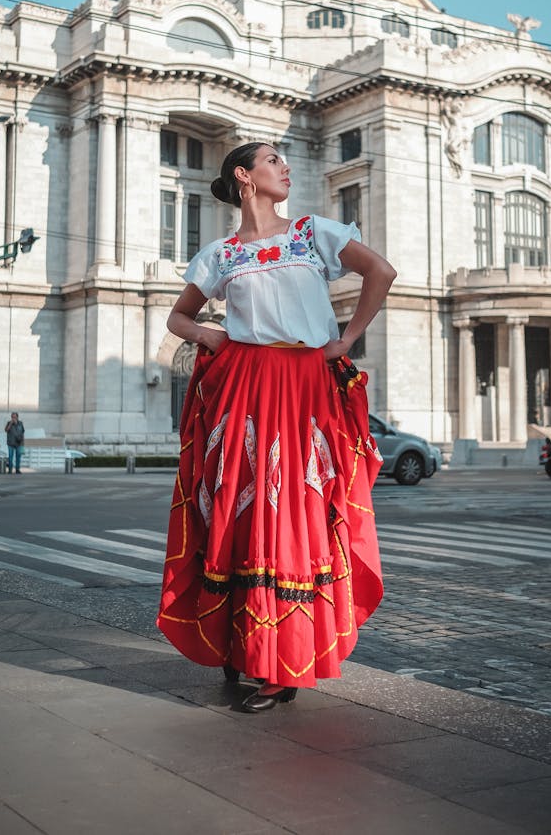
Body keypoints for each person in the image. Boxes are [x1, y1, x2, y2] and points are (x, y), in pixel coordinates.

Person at [157, 142, 396, 713]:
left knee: (293, 509)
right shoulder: (220, 254)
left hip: (305, 387)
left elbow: (381, 272)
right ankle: (240, 648)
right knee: (239, 509)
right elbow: (177, 316)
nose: (285, 168)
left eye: (284, 161)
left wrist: (346, 339)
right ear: (245, 176)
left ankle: (281, 658)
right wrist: (208, 335)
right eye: (272, 160)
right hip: (244, 385)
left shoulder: (313, 232)